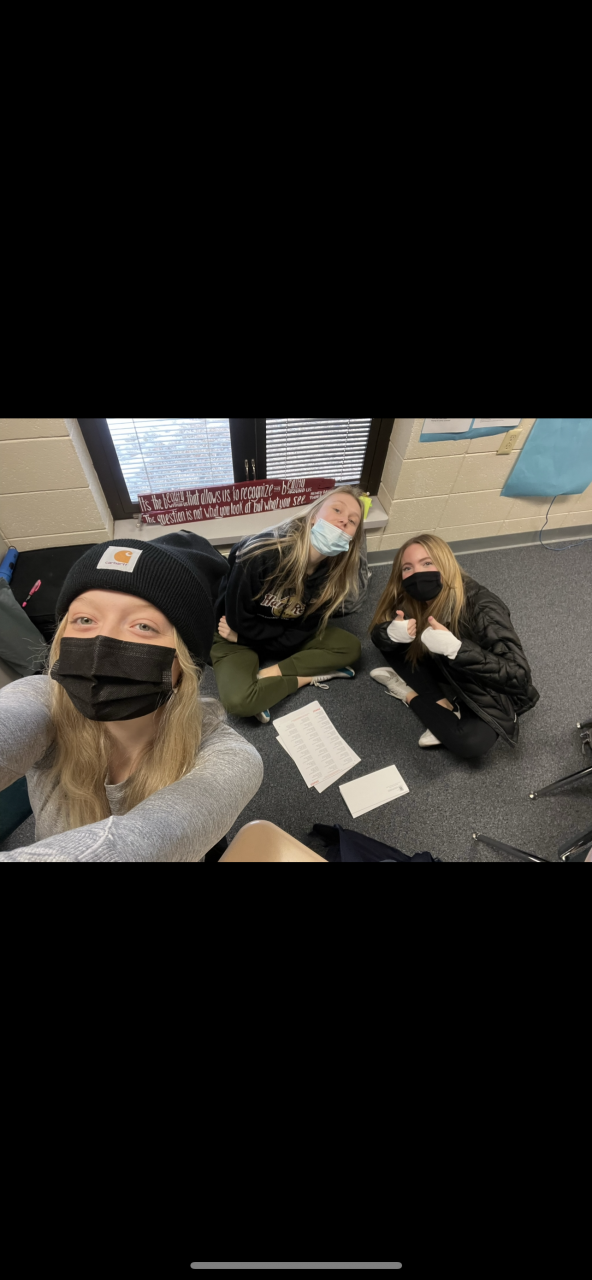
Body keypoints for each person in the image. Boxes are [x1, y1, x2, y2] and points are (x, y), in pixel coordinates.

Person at [0, 532, 263, 862]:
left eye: (143, 626)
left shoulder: (229, 757)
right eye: (85, 619)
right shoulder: (41, 700)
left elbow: (133, 845)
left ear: (184, 662)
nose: (102, 641)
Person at [369, 534, 539, 758]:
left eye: (427, 563)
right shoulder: (411, 597)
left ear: (445, 564)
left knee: (472, 743)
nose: (417, 574)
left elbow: (519, 676)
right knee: (392, 641)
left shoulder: (483, 606)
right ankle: (444, 705)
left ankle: (408, 693)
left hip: (484, 682)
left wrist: (457, 650)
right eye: (407, 568)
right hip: (446, 665)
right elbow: (379, 634)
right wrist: (390, 633)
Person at [211, 487, 365, 723]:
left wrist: (258, 648)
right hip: (232, 631)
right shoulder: (260, 553)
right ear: (313, 515)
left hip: (252, 636)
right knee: (239, 701)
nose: (344, 520)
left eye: (353, 521)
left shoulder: (335, 574)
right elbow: (239, 621)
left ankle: (274, 674)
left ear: (352, 537)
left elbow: (302, 631)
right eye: (337, 510)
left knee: (351, 648)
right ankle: (307, 675)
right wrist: (244, 640)